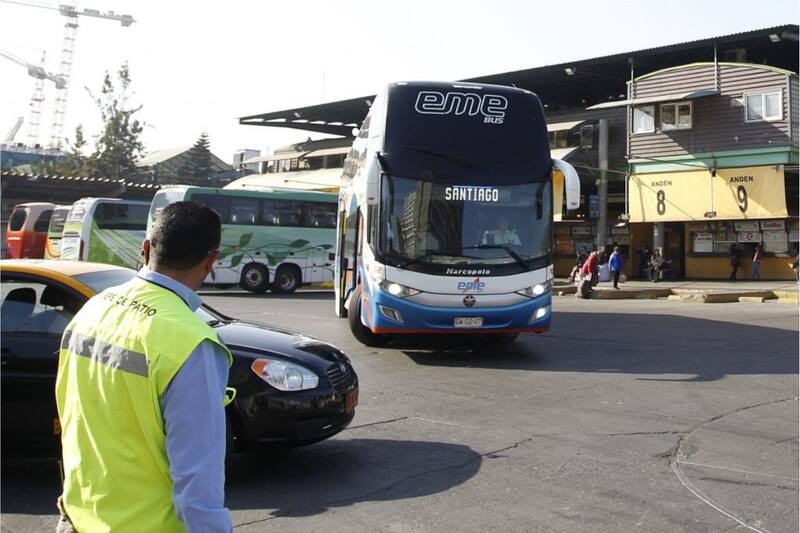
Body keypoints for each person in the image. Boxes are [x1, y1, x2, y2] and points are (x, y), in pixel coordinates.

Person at [55, 202, 233, 533]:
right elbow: (198, 485)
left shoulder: (94, 309)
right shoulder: (191, 343)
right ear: (211, 260)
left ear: (147, 247)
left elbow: (69, 413)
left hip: (78, 517)